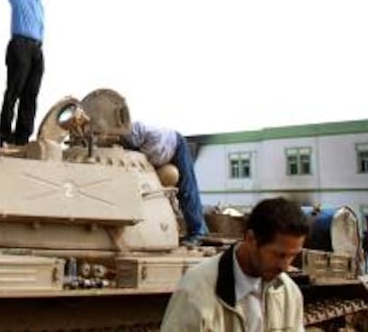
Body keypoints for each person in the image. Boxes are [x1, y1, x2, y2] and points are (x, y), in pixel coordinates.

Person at [160, 197, 308, 332]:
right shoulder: (195, 290)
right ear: (251, 239)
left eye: (292, 256)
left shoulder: (289, 293)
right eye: (279, 255)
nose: (285, 266)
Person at [0, 0, 49, 149]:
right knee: (14, 92)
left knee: (31, 95)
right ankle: (6, 136)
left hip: (37, 49)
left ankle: (22, 138)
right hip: (19, 45)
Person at [124, 121, 208, 245]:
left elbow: (149, 154)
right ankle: (200, 229)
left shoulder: (132, 133)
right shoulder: (131, 134)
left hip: (175, 144)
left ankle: (198, 233)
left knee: (187, 190)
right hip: (164, 149)